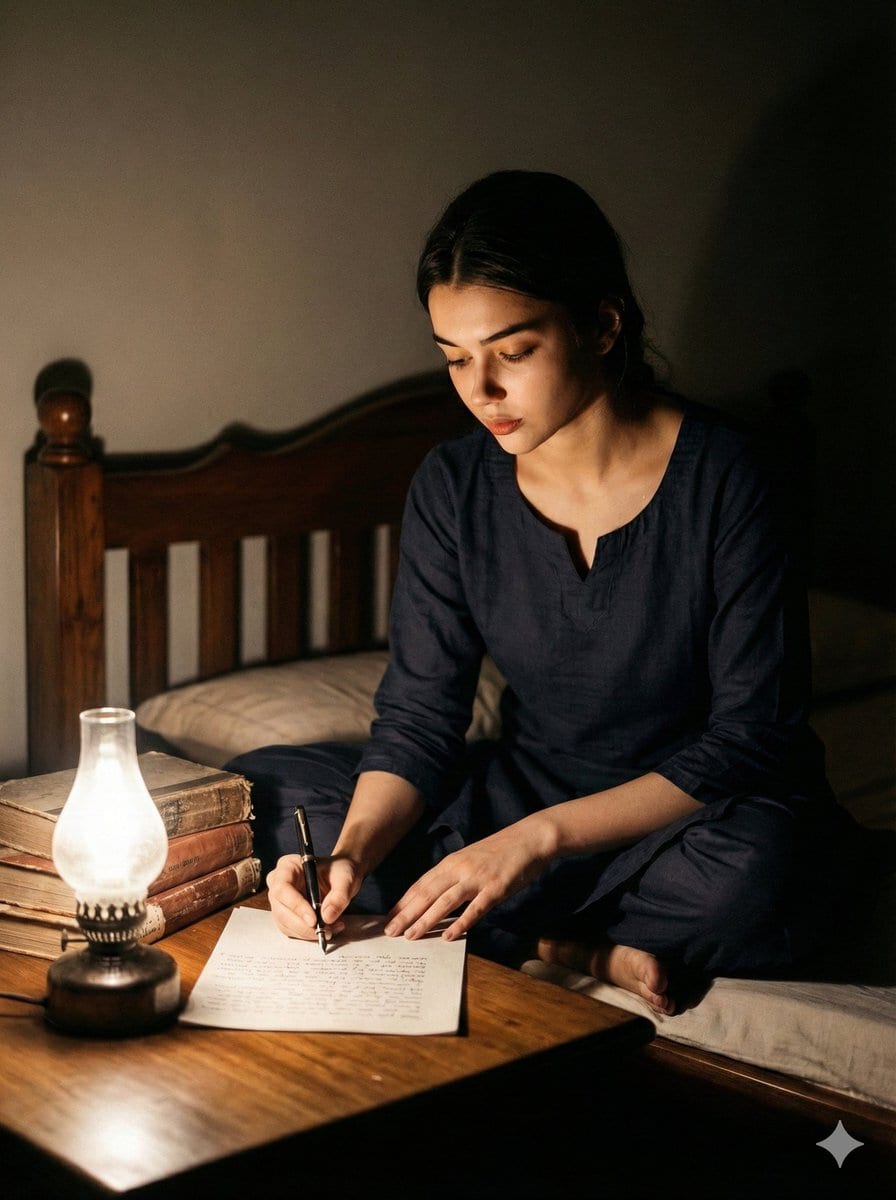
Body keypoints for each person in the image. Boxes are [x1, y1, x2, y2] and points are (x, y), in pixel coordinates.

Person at [228, 170, 862, 1015]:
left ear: (601, 325)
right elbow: (421, 716)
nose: (479, 391)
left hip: (691, 811)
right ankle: (562, 946)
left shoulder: (730, 477)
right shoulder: (453, 486)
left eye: (513, 353)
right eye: (455, 359)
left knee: (760, 877)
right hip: (528, 785)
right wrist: (349, 858)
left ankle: (522, 925)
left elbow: (752, 737)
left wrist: (530, 845)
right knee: (266, 798)